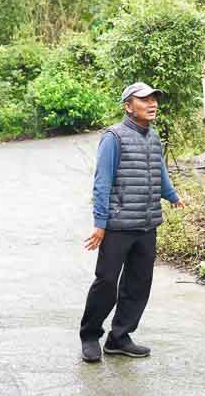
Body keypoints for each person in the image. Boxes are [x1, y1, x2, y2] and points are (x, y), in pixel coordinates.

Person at [79, 82, 185, 363]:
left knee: (138, 284)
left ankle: (119, 337)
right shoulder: (114, 137)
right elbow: (102, 182)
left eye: (154, 99)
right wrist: (100, 223)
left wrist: (172, 195)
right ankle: (90, 336)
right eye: (144, 100)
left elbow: (159, 170)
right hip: (118, 225)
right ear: (128, 106)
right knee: (106, 282)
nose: (152, 104)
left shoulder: (153, 136)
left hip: (147, 223)